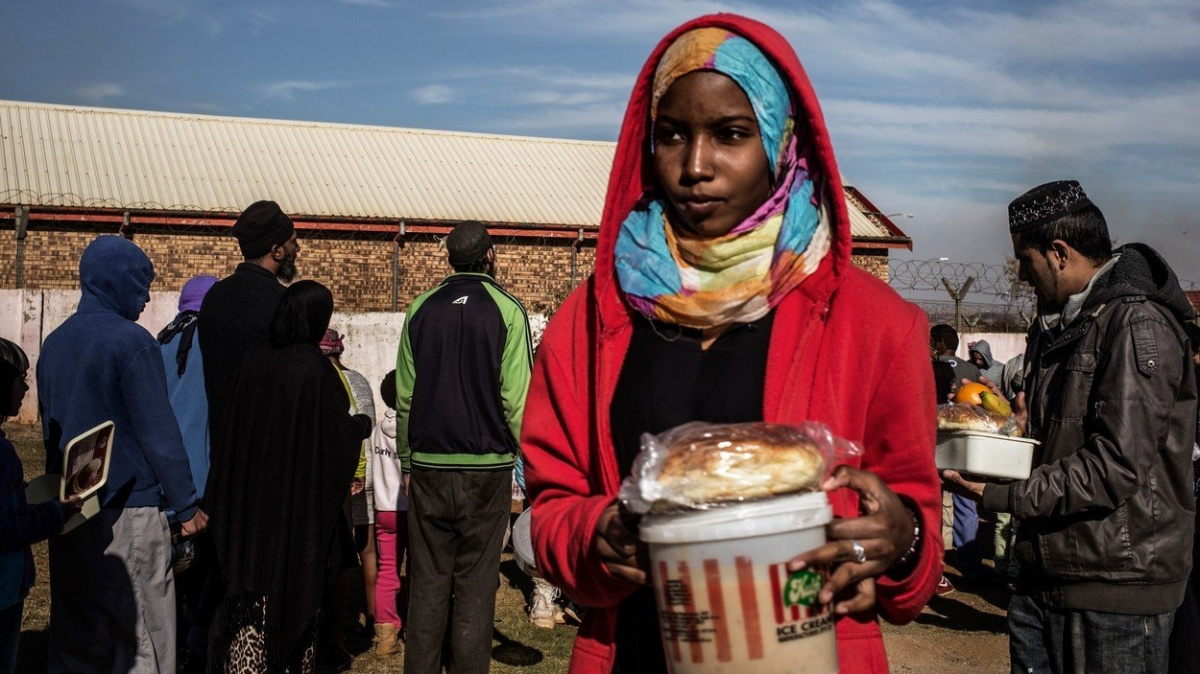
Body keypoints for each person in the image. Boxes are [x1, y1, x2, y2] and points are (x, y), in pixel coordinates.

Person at [520, 15, 941, 674]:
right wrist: (592, 532)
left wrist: (903, 540)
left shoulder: (879, 325)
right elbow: (550, 506)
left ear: (782, 139)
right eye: (672, 135)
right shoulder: (590, 321)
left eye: (731, 135)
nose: (695, 166)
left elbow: (916, 527)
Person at [944, 180, 1196, 674]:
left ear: (1059, 253)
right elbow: (1066, 440)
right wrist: (1017, 432)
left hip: (1115, 588)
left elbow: (1115, 467)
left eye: (1024, 258)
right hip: (1046, 574)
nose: (1019, 273)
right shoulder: (1059, 325)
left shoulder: (1135, 325)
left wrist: (997, 492)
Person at [38, 235, 207, 673]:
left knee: (78, 624)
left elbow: (49, 428)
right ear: (117, 282)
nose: (146, 294)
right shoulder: (131, 341)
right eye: (142, 282)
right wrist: (187, 504)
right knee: (142, 634)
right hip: (127, 507)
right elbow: (159, 432)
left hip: (71, 502)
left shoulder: (54, 344)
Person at [206, 280, 372, 673]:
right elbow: (333, 436)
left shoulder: (255, 357)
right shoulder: (311, 366)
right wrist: (360, 426)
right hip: (291, 506)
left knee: (248, 584)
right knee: (291, 583)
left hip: (248, 501)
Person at [395, 220, 533, 674]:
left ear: (450, 259)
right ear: (489, 256)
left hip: (430, 467)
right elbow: (518, 400)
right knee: (475, 588)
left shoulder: (419, 309)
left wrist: (407, 463)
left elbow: (406, 398)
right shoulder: (507, 309)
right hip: (487, 468)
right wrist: (532, 460)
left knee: (427, 585)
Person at [0, 338, 78, 674]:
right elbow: (3, 528)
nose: (25, 388)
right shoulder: (1, 454)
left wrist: (22, 494)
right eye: (20, 379)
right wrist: (57, 512)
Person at [199, 199, 300, 452]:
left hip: (223, 447)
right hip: (268, 451)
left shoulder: (214, 297)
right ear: (277, 251)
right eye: (293, 242)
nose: (298, 249)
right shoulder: (282, 302)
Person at [156, 273, 219, 665]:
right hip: (203, 479)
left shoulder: (161, 339)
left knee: (167, 574)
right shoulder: (213, 342)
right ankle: (198, 646)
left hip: (162, 478)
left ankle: (172, 648)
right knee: (203, 572)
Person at [318, 328, 376, 666]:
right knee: (366, 549)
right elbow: (365, 430)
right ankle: (372, 619)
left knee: (336, 557)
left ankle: (333, 632)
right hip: (361, 475)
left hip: (340, 477)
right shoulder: (360, 382)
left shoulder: (321, 380)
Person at [370, 369, 407, 657]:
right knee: (422, 571)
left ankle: (385, 637)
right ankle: (420, 630)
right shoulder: (415, 429)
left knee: (387, 571)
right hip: (413, 510)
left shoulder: (375, 432)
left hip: (384, 510)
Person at [931, 324, 981, 391]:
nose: (929, 345)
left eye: (931, 341)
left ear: (939, 344)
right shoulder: (973, 369)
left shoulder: (930, 368)